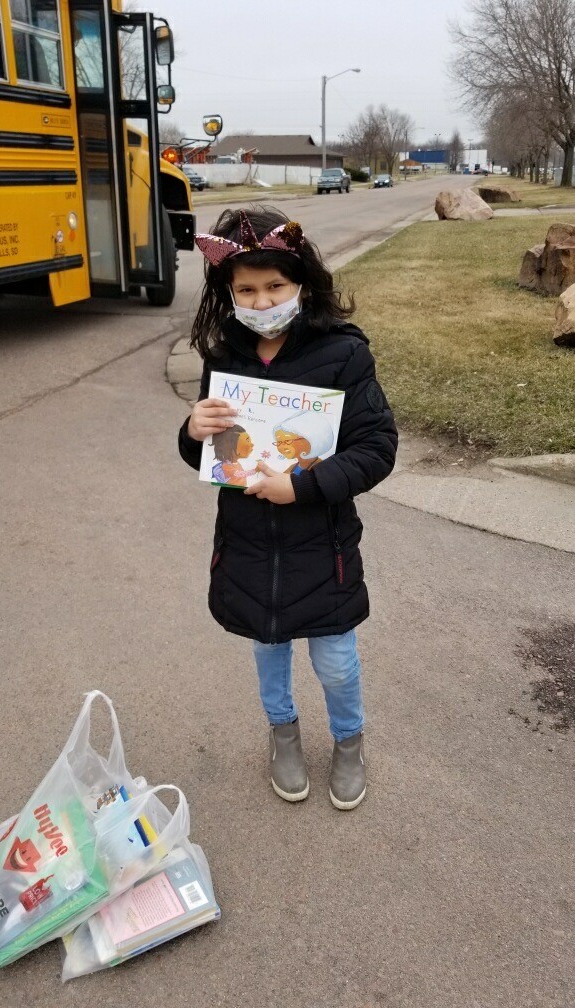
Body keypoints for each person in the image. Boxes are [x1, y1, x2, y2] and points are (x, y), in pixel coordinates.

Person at [178, 207, 397, 810]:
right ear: (228, 293)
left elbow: (376, 449)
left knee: (336, 663)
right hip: (248, 545)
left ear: (302, 282)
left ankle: (349, 742)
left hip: (320, 547)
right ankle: (284, 737)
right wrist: (193, 430)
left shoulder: (343, 354)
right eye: (246, 289)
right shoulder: (224, 355)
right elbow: (209, 451)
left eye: (275, 285)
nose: (262, 299)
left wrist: (300, 487)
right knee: (267, 654)